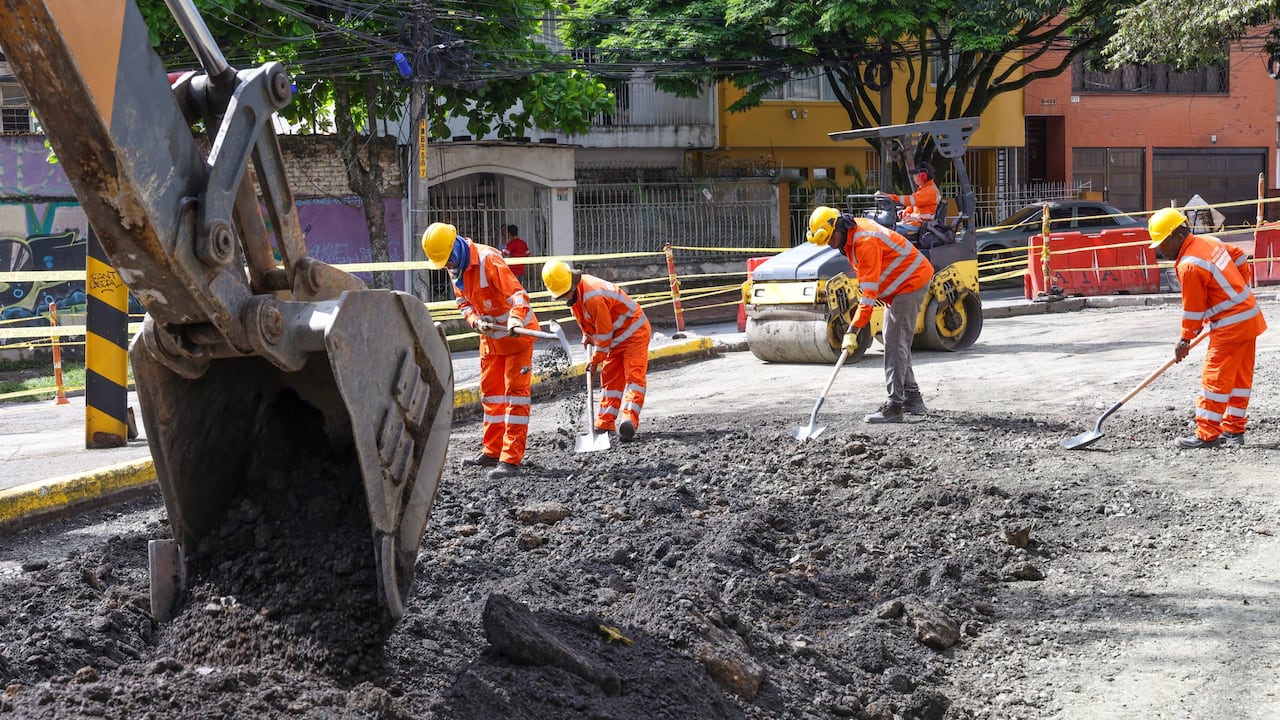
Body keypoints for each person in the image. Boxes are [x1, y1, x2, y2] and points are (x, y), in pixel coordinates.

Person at [422, 222, 539, 478]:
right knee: (492, 397)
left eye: (447, 261)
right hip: (491, 341)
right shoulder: (455, 268)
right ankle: (492, 451)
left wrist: (516, 319)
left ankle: (510, 459)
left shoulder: (489, 260)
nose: (446, 266)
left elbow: (518, 295)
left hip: (516, 339)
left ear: (455, 248)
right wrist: (476, 321)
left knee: (515, 397)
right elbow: (463, 302)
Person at [1148, 207, 1266, 449]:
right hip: (1249, 317)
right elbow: (1240, 257)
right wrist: (1238, 289)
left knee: (1215, 379)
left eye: (1162, 243)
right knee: (1238, 379)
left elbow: (1193, 310)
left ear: (1178, 236)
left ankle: (1207, 434)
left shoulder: (1189, 265)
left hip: (1230, 327)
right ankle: (1233, 430)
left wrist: (1184, 340)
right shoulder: (1209, 242)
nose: (1160, 250)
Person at [806, 206, 934, 423]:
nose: (829, 244)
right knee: (896, 339)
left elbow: (868, 297)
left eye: (829, 239)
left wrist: (853, 331)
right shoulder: (851, 238)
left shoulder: (864, 242)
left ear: (838, 227)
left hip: (911, 283)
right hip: (901, 286)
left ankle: (895, 406)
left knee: (894, 342)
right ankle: (912, 398)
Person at [542, 259, 652, 442]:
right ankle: (604, 423)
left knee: (634, 377)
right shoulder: (575, 294)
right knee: (610, 380)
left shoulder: (593, 296)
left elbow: (604, 333)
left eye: (565, 294)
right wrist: (587, 334)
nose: (565, 297)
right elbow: (583, 317)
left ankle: (629, 420)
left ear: (572, 281)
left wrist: (595, 360)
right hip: (615, 340)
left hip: (634, 334)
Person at [875, 162, 939, 239]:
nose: (913, 178)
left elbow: (909, 200)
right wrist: (904, 213)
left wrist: (888, 196)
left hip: (919, 226)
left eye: (915, 175)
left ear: (923, 176)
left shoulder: (929, 191)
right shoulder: (924, 190)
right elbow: (913, 206)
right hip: (916, 224)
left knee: (887, 231)